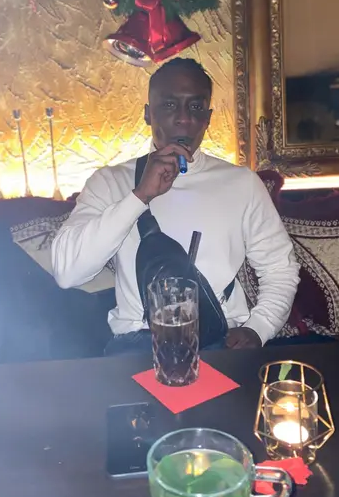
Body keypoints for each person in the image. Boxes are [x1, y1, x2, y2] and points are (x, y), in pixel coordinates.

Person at [51, 58, 300, 355]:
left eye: (195, 107)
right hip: (139, 343)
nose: (184, 118)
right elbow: (67, 272)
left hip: (217, 340)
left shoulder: (242, 183)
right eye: (169, 105)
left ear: (207, 118)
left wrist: (258, 328)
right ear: (148, 114)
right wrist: (139, 196)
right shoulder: (110, 181)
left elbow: (280, 268)